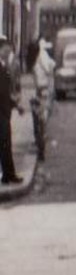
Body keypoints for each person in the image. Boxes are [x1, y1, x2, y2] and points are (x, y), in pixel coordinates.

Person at [0, 38, 21, 185]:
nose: (8, 53)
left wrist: (15, 105)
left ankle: (8, 175)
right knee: (4, 143)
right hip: (1, 111)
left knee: (5, 143)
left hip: (4, 110)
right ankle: (8, 175)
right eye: (6, 50)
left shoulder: (4, 66)